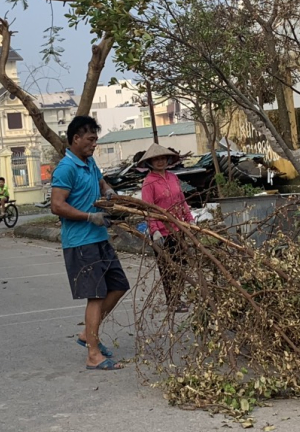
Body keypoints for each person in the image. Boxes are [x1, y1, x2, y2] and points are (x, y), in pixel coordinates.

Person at [50, 115, 129, 371]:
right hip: (80, 242)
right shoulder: (66, 168)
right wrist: (89, 216)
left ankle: (87, 334)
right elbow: (57, 205)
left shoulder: (89, 162)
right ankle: (93, 355)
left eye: (96, 139)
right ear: (76, 138)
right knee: (95, 296)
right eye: (91, 139)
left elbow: (100, 179)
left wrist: (107, 191)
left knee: (118, 286)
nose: (94, 144)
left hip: (99, 238)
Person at [139, 143, 193, 313]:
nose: (160, 161)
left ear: (168, 159)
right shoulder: (149, 182)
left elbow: (181, 200)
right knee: (168, 268)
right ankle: (173, 301)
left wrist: (189, 219)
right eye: (156, 159)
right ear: (150, 162)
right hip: (162, 232)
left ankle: (179, 296)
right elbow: (149, 208)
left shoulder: (172, 177)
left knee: (182, 264)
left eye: (162, 158)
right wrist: (154, 229)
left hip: (178, 228)